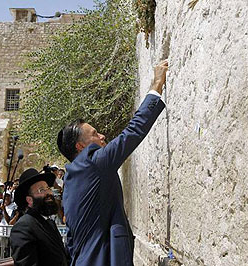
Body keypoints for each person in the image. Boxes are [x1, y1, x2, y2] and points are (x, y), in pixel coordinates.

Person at [56, 60, 168, 265]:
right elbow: (132, 133)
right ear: (80, 147)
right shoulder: (93, 164)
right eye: (94, 134)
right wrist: (156, 85)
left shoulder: (71, 180)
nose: (102, 136)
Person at [10, 168, 69, 266]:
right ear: (30, 200)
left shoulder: (49, 222)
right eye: (42, 190)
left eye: (48, 188)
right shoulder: (23, 227)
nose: (49, 193)